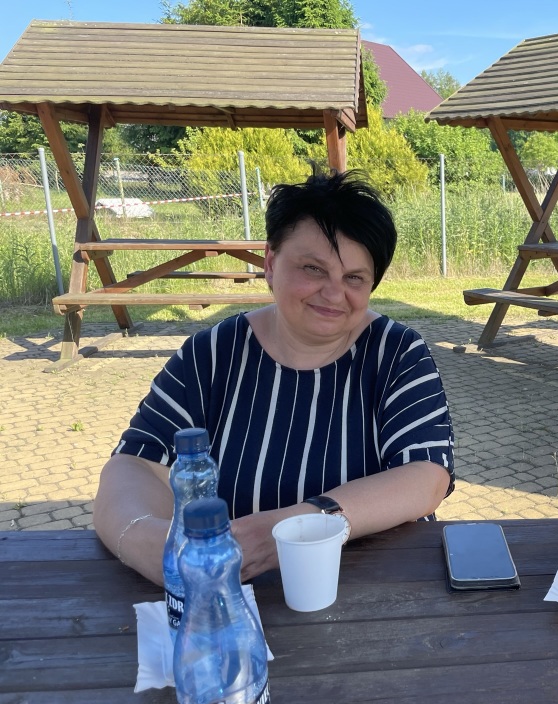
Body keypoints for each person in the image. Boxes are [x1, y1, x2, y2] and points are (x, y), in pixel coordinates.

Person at [94, 171, 455, 582]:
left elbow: (427, 476)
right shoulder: (211, 354)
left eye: (354, 278)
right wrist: (146, 541)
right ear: (270, 263)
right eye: (313, 269)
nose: (334, 293)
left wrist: (303, 525)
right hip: (232, 589)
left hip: (376, 586)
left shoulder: (398, 353)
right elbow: (136, 464)